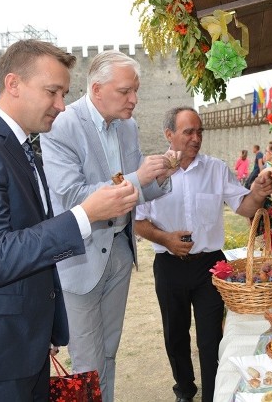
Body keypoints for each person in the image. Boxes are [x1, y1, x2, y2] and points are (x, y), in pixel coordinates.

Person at [0, 39, 140, 401]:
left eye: (64, 93)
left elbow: (30, 238)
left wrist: (44, 330)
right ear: (13, 85)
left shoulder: (21, 146)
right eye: (52, 92)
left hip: (21, 341)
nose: (61, 105)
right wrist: (86, 214)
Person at [41, 49, 178, 402]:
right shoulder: (63, 125)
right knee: (87, 359)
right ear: (96, 89)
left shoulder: (127, 126)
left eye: (136, 90)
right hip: (80, 258)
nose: (134, 99)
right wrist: (137, 175)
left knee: (109, 351)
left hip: (118, 249)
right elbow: (73, 197)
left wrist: (161, 176)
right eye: (125, 91)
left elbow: (135, 191)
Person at [134, 107, 272, 402]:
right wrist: (165, 239)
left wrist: (259, 191)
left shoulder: (216, 169)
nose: (196, 138)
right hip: (169, 264)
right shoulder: (150, 172)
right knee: (175, 335)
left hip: (211, 266)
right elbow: (137, 221)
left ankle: (213, 396)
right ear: (169, 134)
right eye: (188, 132)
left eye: (200, 132)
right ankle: (185, 390)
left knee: (211, 339)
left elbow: (245, 208)